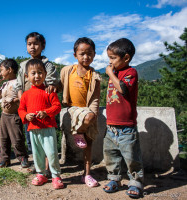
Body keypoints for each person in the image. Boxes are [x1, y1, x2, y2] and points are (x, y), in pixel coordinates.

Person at [103, 38, 143, 198]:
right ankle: (114, 178)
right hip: (111, 125)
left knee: (131, 157)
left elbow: (124, 90)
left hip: (126, 127)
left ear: (126, 58)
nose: (110, 62)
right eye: (109, 58)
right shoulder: (116, 72)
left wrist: (110, 74)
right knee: (111, 155)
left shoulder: (130, 72)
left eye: (113, 58)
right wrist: (113, 73)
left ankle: (136, 182)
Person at [60, 37, 101, 187]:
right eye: (82, 53)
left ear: (94, 54)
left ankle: (87, 174)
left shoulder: (95, 76)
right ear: (75, 55)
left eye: (89, 53)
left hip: (87, 111)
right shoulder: (67, 71)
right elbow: (60, 85)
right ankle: (78, 131)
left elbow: (95, 98)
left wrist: (93, 115)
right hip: (73, 109)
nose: (86, 57)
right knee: (88, 118)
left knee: (88, 143)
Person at [18, 59, 64, 189]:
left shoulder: (49, 91)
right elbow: (21, 109)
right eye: (33, 73)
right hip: (33, 128)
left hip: (48, 128)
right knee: (37, 153)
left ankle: (56, 176)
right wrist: (26, 116)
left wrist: (46, 112)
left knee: (51, 153)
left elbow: (57, 106)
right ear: (27, 76)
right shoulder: (26, 95)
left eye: (40, 73)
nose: (37, 76)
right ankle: (41, 174)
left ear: (45, 74)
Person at [16, 32, 58, 156]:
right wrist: (23, 105)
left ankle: (47, 165)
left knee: (47, 139)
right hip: (29, 111)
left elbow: (52, 84)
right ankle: (38, 163)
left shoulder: (48, 65)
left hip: (45, 109)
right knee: (31, 138)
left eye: (36, 44)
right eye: (29, 44)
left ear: (43, 46)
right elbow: (19, 86)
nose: (32, 47)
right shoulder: (23, 66)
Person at [0, 59, 29, 168]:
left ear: (9, 70)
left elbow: (22, 98)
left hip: (14, 115)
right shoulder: (5, 84)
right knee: (3, 139)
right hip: (4, 115)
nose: (0, 73)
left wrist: (13, 101)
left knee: (17, 138)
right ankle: (5, 159)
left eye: (2, 70)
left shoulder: (17, 83)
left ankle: (22, 157)